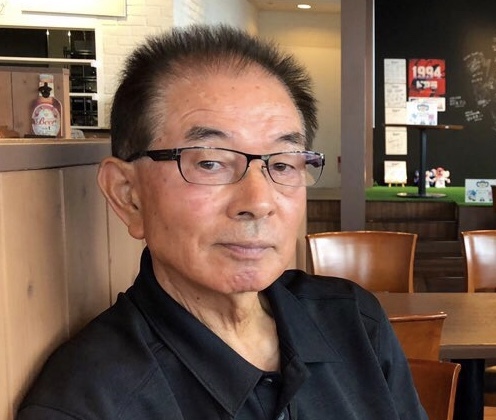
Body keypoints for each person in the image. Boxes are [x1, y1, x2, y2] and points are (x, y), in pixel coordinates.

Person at [17, 24, 427, 419]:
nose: (259, 202)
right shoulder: (88, 403)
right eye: (210, 162)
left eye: (282, 164)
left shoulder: (356, 323)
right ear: (128, 195)